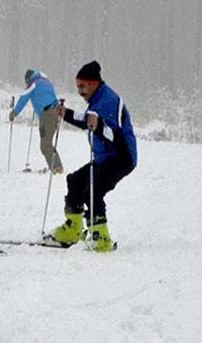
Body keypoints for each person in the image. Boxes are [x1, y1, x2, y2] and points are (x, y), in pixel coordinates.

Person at [51, 60, 137, 252]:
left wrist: (98, 126)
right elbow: (87, 120)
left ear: (93, 83)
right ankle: (73, 230)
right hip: (104, 158)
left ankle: (101, 238)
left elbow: (114, 138)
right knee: (75, 181)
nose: (79, 91)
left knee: (93, 190)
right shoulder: (96, 100)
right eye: (78, 87)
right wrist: (66, 114)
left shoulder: (108, 101)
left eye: (82, 87)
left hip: (122, 157)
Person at [9, 69, 64, 173]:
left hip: (47, 115)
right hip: (54, 113)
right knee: (46, 143)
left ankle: (56, 167)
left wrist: (14, 113)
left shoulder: (33, 84)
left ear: (28, 79)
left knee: (45, 144)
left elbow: (23, 98)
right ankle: (56, 166)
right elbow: (45, 96)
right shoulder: (47, 82)